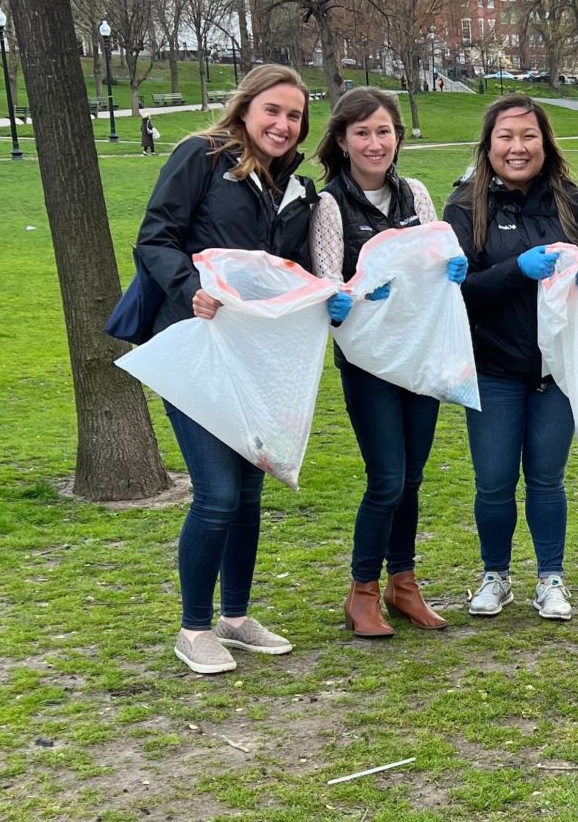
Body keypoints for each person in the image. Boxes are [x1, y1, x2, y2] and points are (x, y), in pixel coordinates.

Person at [134, 63, 338, 675]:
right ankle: (193, 627)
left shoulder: (296, 186)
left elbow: (292, 269)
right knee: (217, 493)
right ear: (245, 108)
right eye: (272, 110)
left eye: (295, 116)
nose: (283, 124)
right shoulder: (203, 157)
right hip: (197, 346)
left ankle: (235, 616)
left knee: (248, 491)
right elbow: (155, 237)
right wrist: (189, 285)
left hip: (259, 358)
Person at [443, 94, 578, 621]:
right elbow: (457, 293)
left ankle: (551, 577)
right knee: (494, 480)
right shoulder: (464, 207)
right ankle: (495, 574)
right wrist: (517, 268)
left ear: (545, 142)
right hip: (493, 369)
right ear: (488, 144)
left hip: (556, 372)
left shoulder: (576, 203)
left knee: (546, 478)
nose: (517, 148)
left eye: (528, 136)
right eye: (505, 137)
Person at [310, 86, 467, 638]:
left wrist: (453, 265)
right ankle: (362, 592)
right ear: (343, 141)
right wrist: (351, 291)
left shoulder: (416, 193)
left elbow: (436, 251)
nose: (374, 143)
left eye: (383, 131)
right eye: (362, 133)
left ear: (397, 137)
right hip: (370, 363)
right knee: (387, 478)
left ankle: (404, 584)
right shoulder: (330, 204)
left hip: (417, 356)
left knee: (414, 478)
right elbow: (328, 279)